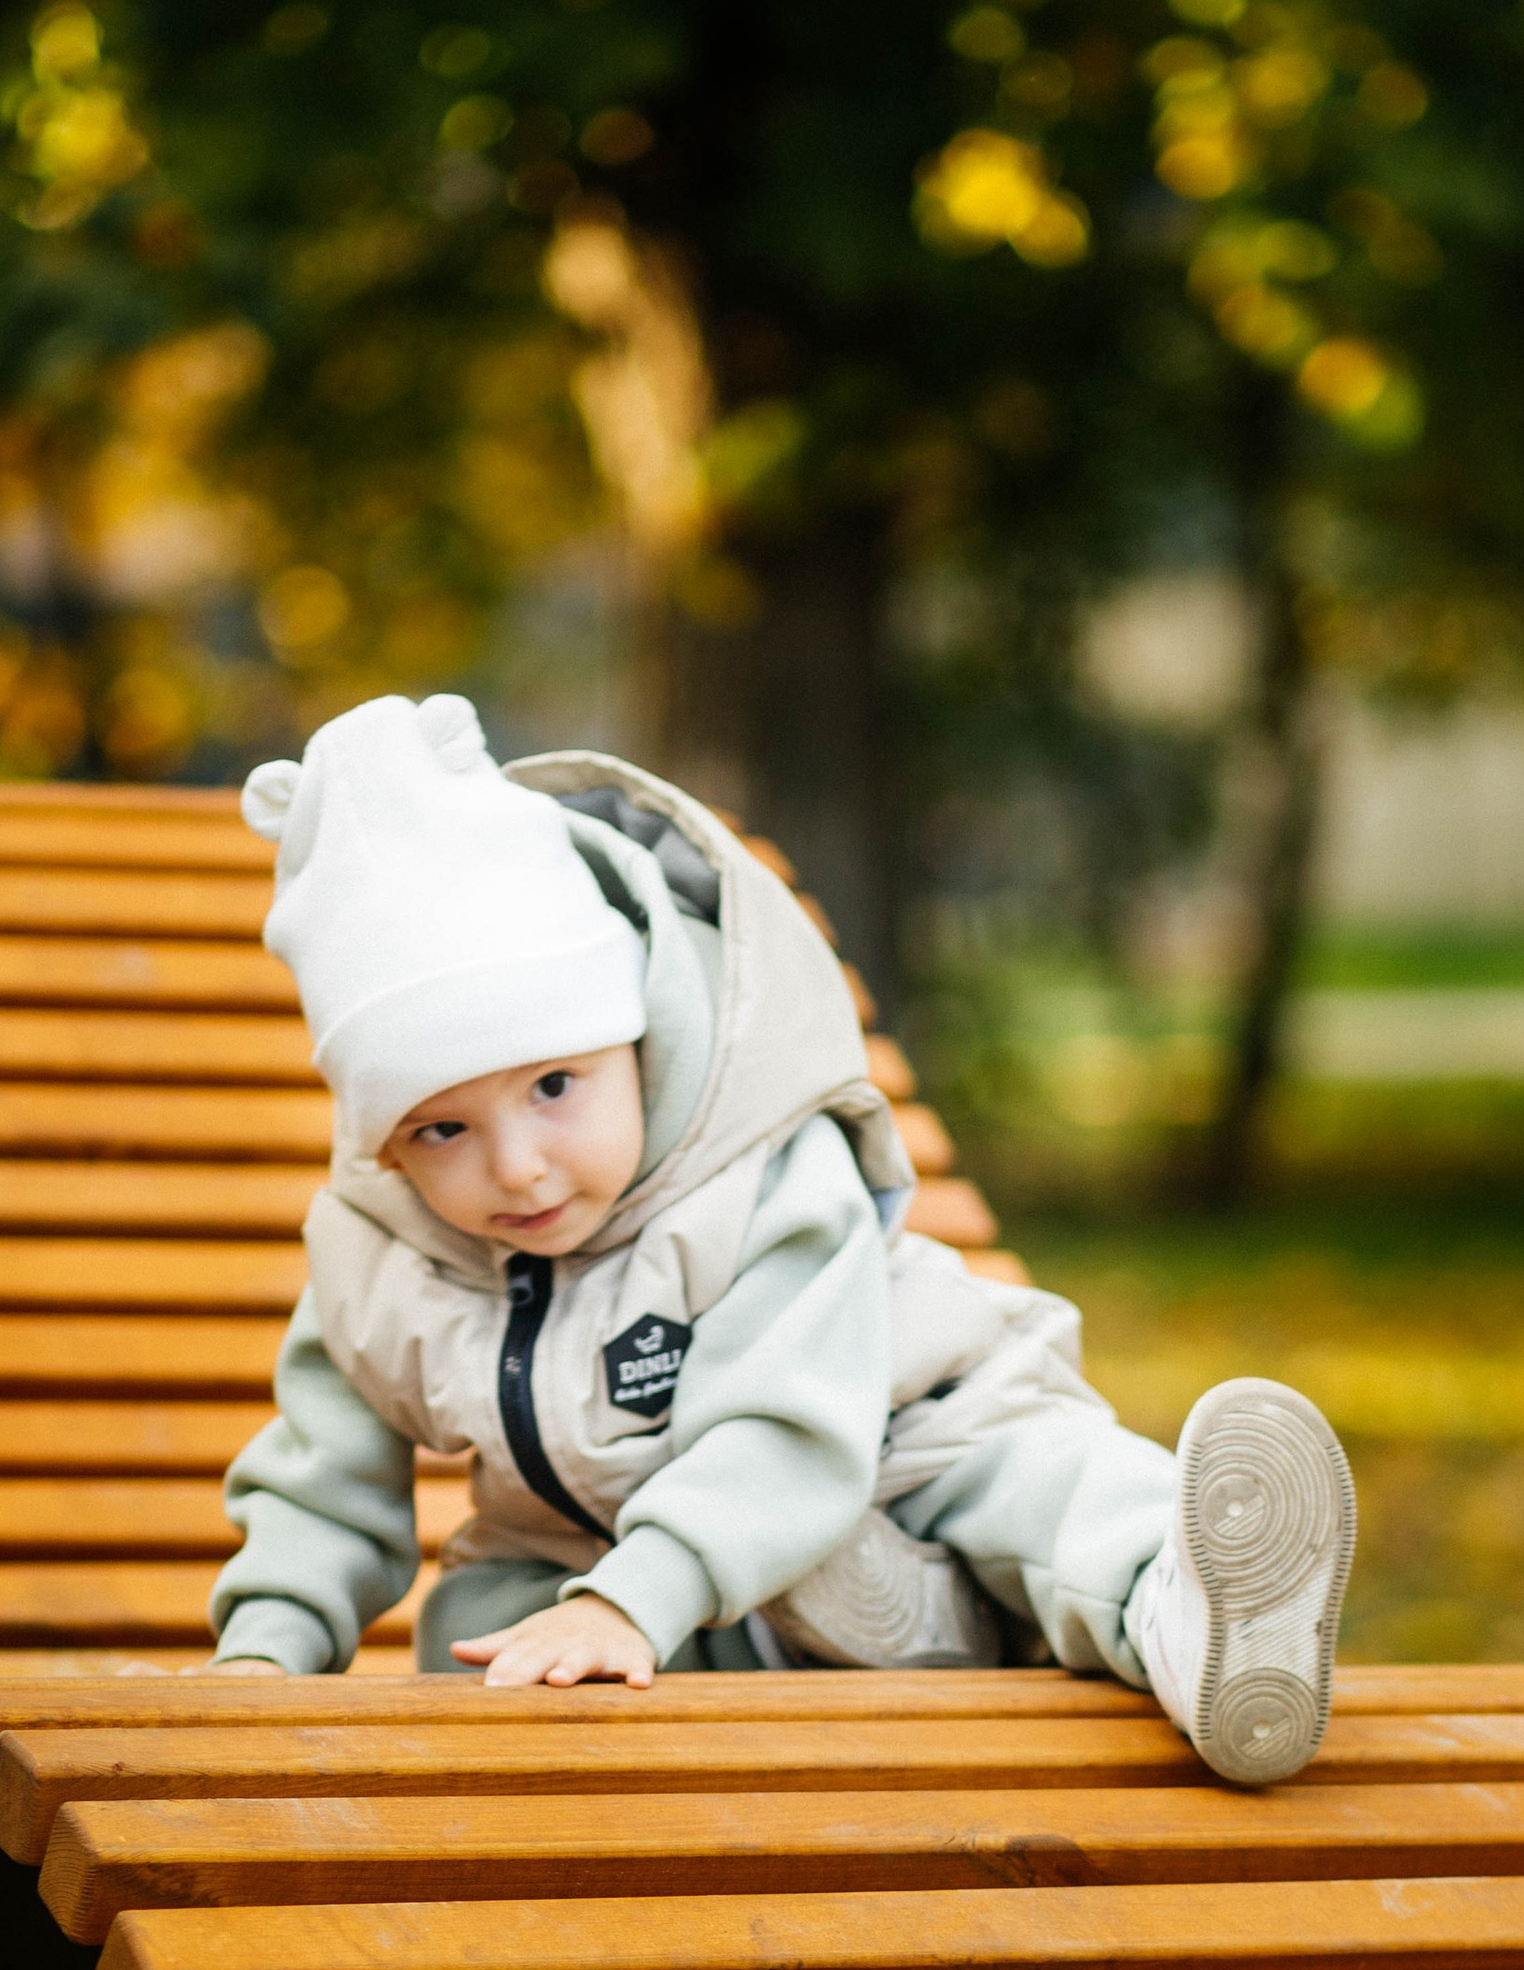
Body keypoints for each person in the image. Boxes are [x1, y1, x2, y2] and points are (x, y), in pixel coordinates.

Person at [204, 690, 1355, 1786]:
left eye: (555, 1084)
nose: (517, 1165)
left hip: (896, 1430)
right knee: (493, 1626)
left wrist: (641, 1591)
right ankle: (859, 1625)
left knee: (1037, 1484)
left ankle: (1195, 1613)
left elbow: (784, 1424)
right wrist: (268, 1648)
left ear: (637, 1031)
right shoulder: (378, 1262)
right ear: (385, 1147)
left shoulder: (755, 1169)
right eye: (442, 1127)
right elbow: (320, 1481)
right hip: (616, 1551)